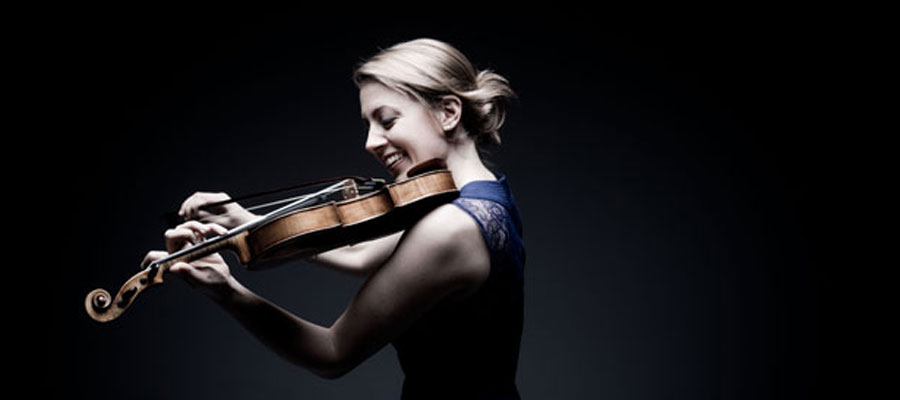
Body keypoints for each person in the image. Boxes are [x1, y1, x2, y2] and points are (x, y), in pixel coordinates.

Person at [143, 38, 525, 399]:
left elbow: (332, 352)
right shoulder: (482, 199)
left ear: (448, 112)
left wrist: (225, 291)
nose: (371, 142)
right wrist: (247, 221)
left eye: (387, 120)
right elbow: (360, 256)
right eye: (368, 125)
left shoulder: (449, 228)